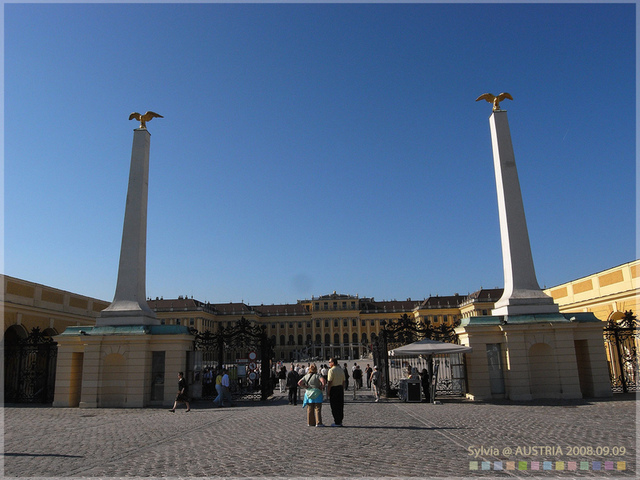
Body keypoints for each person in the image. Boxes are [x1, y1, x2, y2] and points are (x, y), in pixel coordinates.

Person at [326, 357, 345, 426]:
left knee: (334, 406)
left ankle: (336, 421)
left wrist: (328, 391)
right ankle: (340, 420)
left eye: (329, 362)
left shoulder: (331, 370)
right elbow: (343, 381)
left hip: (334, 389)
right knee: (340, 405)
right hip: (340, 388)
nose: (329, 363)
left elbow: (330, 382)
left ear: (333, 363)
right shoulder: (341, 370)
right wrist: (342, 389)